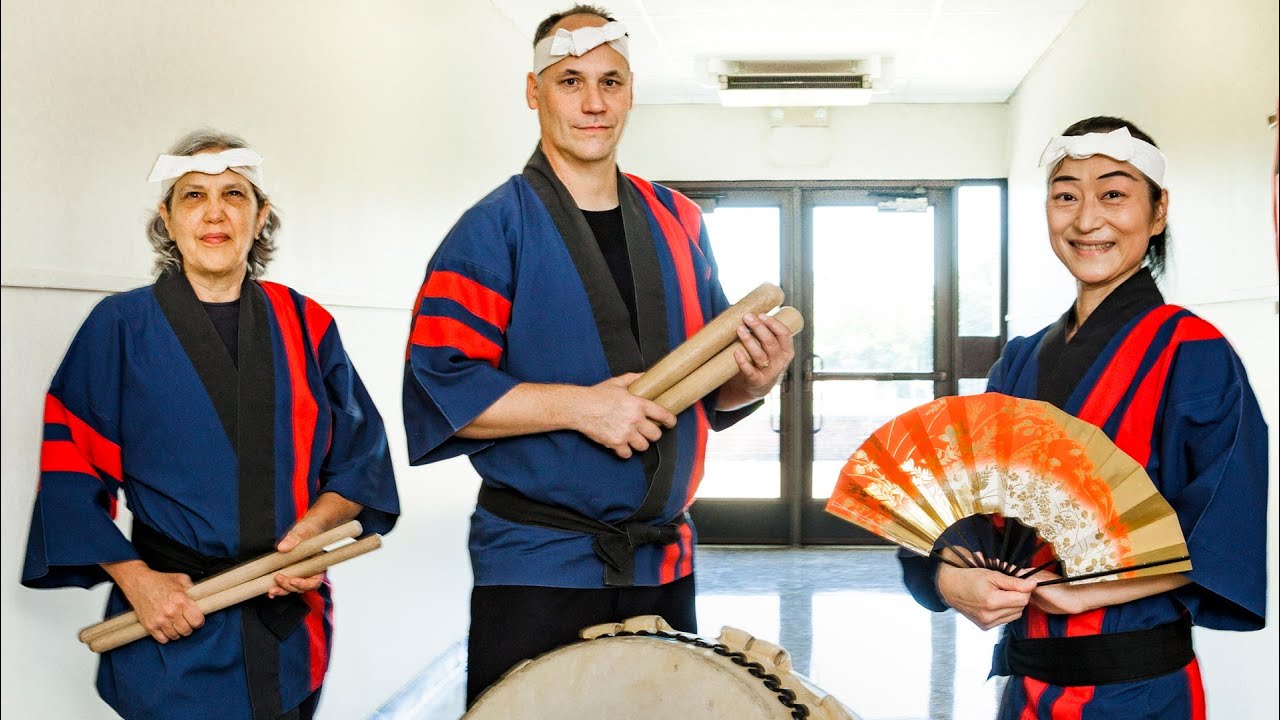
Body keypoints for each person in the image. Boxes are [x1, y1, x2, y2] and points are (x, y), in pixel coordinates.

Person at [401, 4, 794, 705]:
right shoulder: (492, 229)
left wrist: (755, 377)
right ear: (534, 92)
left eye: (610, 82)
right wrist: (584, 409)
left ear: (631, 91)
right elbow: (442, 387)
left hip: (664, 560)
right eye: (569, 81)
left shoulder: (680, 219)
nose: (592, 103)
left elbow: (713, 389)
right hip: (538, 567)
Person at [21, 130, 400, 720]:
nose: (215, 212)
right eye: (194, 196)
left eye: (235, 194)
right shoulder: (118, 328)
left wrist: (312, 542)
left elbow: (361, 461)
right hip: (171, 617)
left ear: (261, 216)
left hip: (286, 621)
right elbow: (68, 477)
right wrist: (140, 584)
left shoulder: (307, 324)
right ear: (167, 221)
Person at [900, 117, 1268, 718]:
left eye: (1114, 194)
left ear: (1158, 210)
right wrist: (947, 577)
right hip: (1026, 687)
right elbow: (957, 508)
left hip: (1140, 690)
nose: (1087, 218)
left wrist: (1087, 594)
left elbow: (1223, 529)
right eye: (1066, 194)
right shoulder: (1017, 361)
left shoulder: (1194, 353)